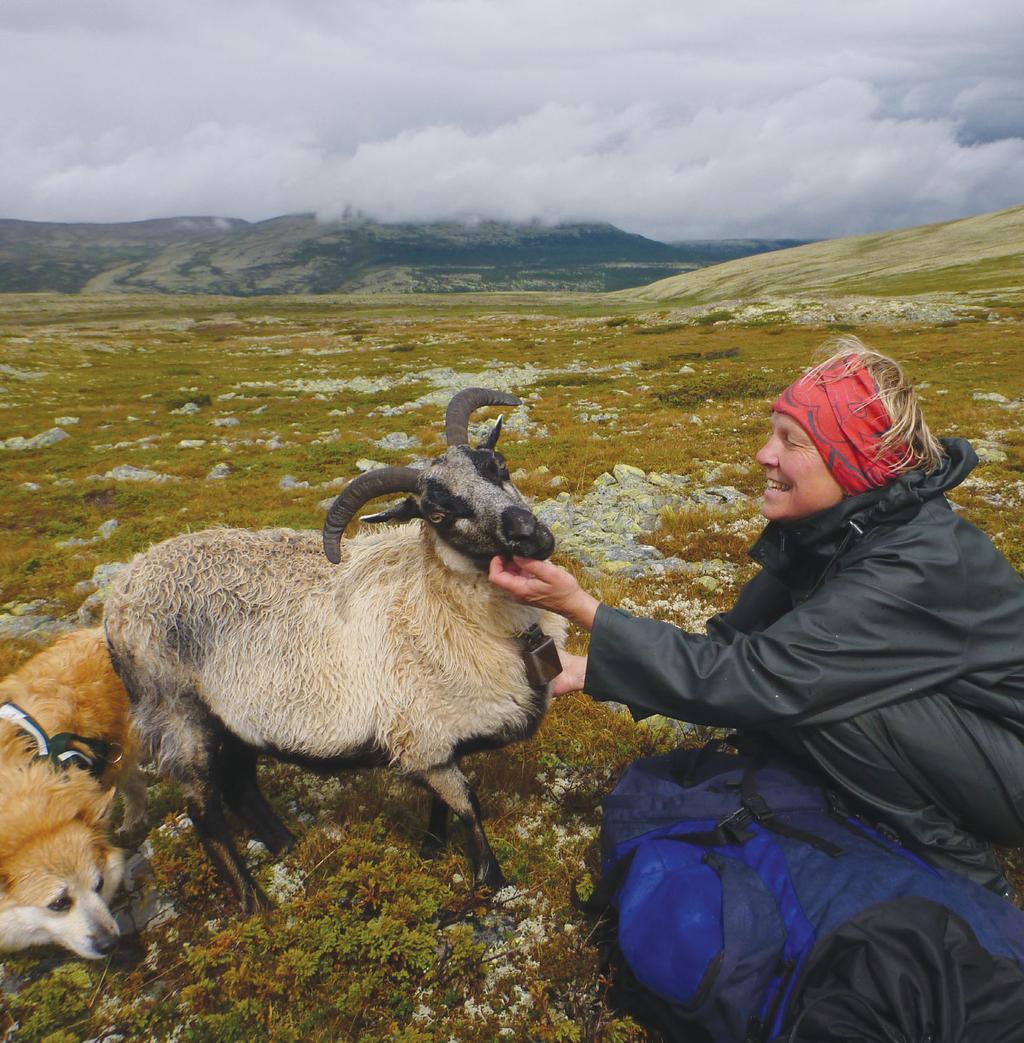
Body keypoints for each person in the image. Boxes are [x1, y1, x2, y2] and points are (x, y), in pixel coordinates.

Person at [490, 336, 1024, 895]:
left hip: (1010, 755)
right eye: (772, 432)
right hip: (969, 739)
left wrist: (582, 608)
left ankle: (969, 878)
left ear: (851, 463)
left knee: (818, 699)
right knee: (801, 683)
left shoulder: (913, 564)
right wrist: (591, 667)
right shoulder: (836, 529)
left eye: (791, 441)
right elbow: (729, 648)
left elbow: (759, 679)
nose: (764, 455)